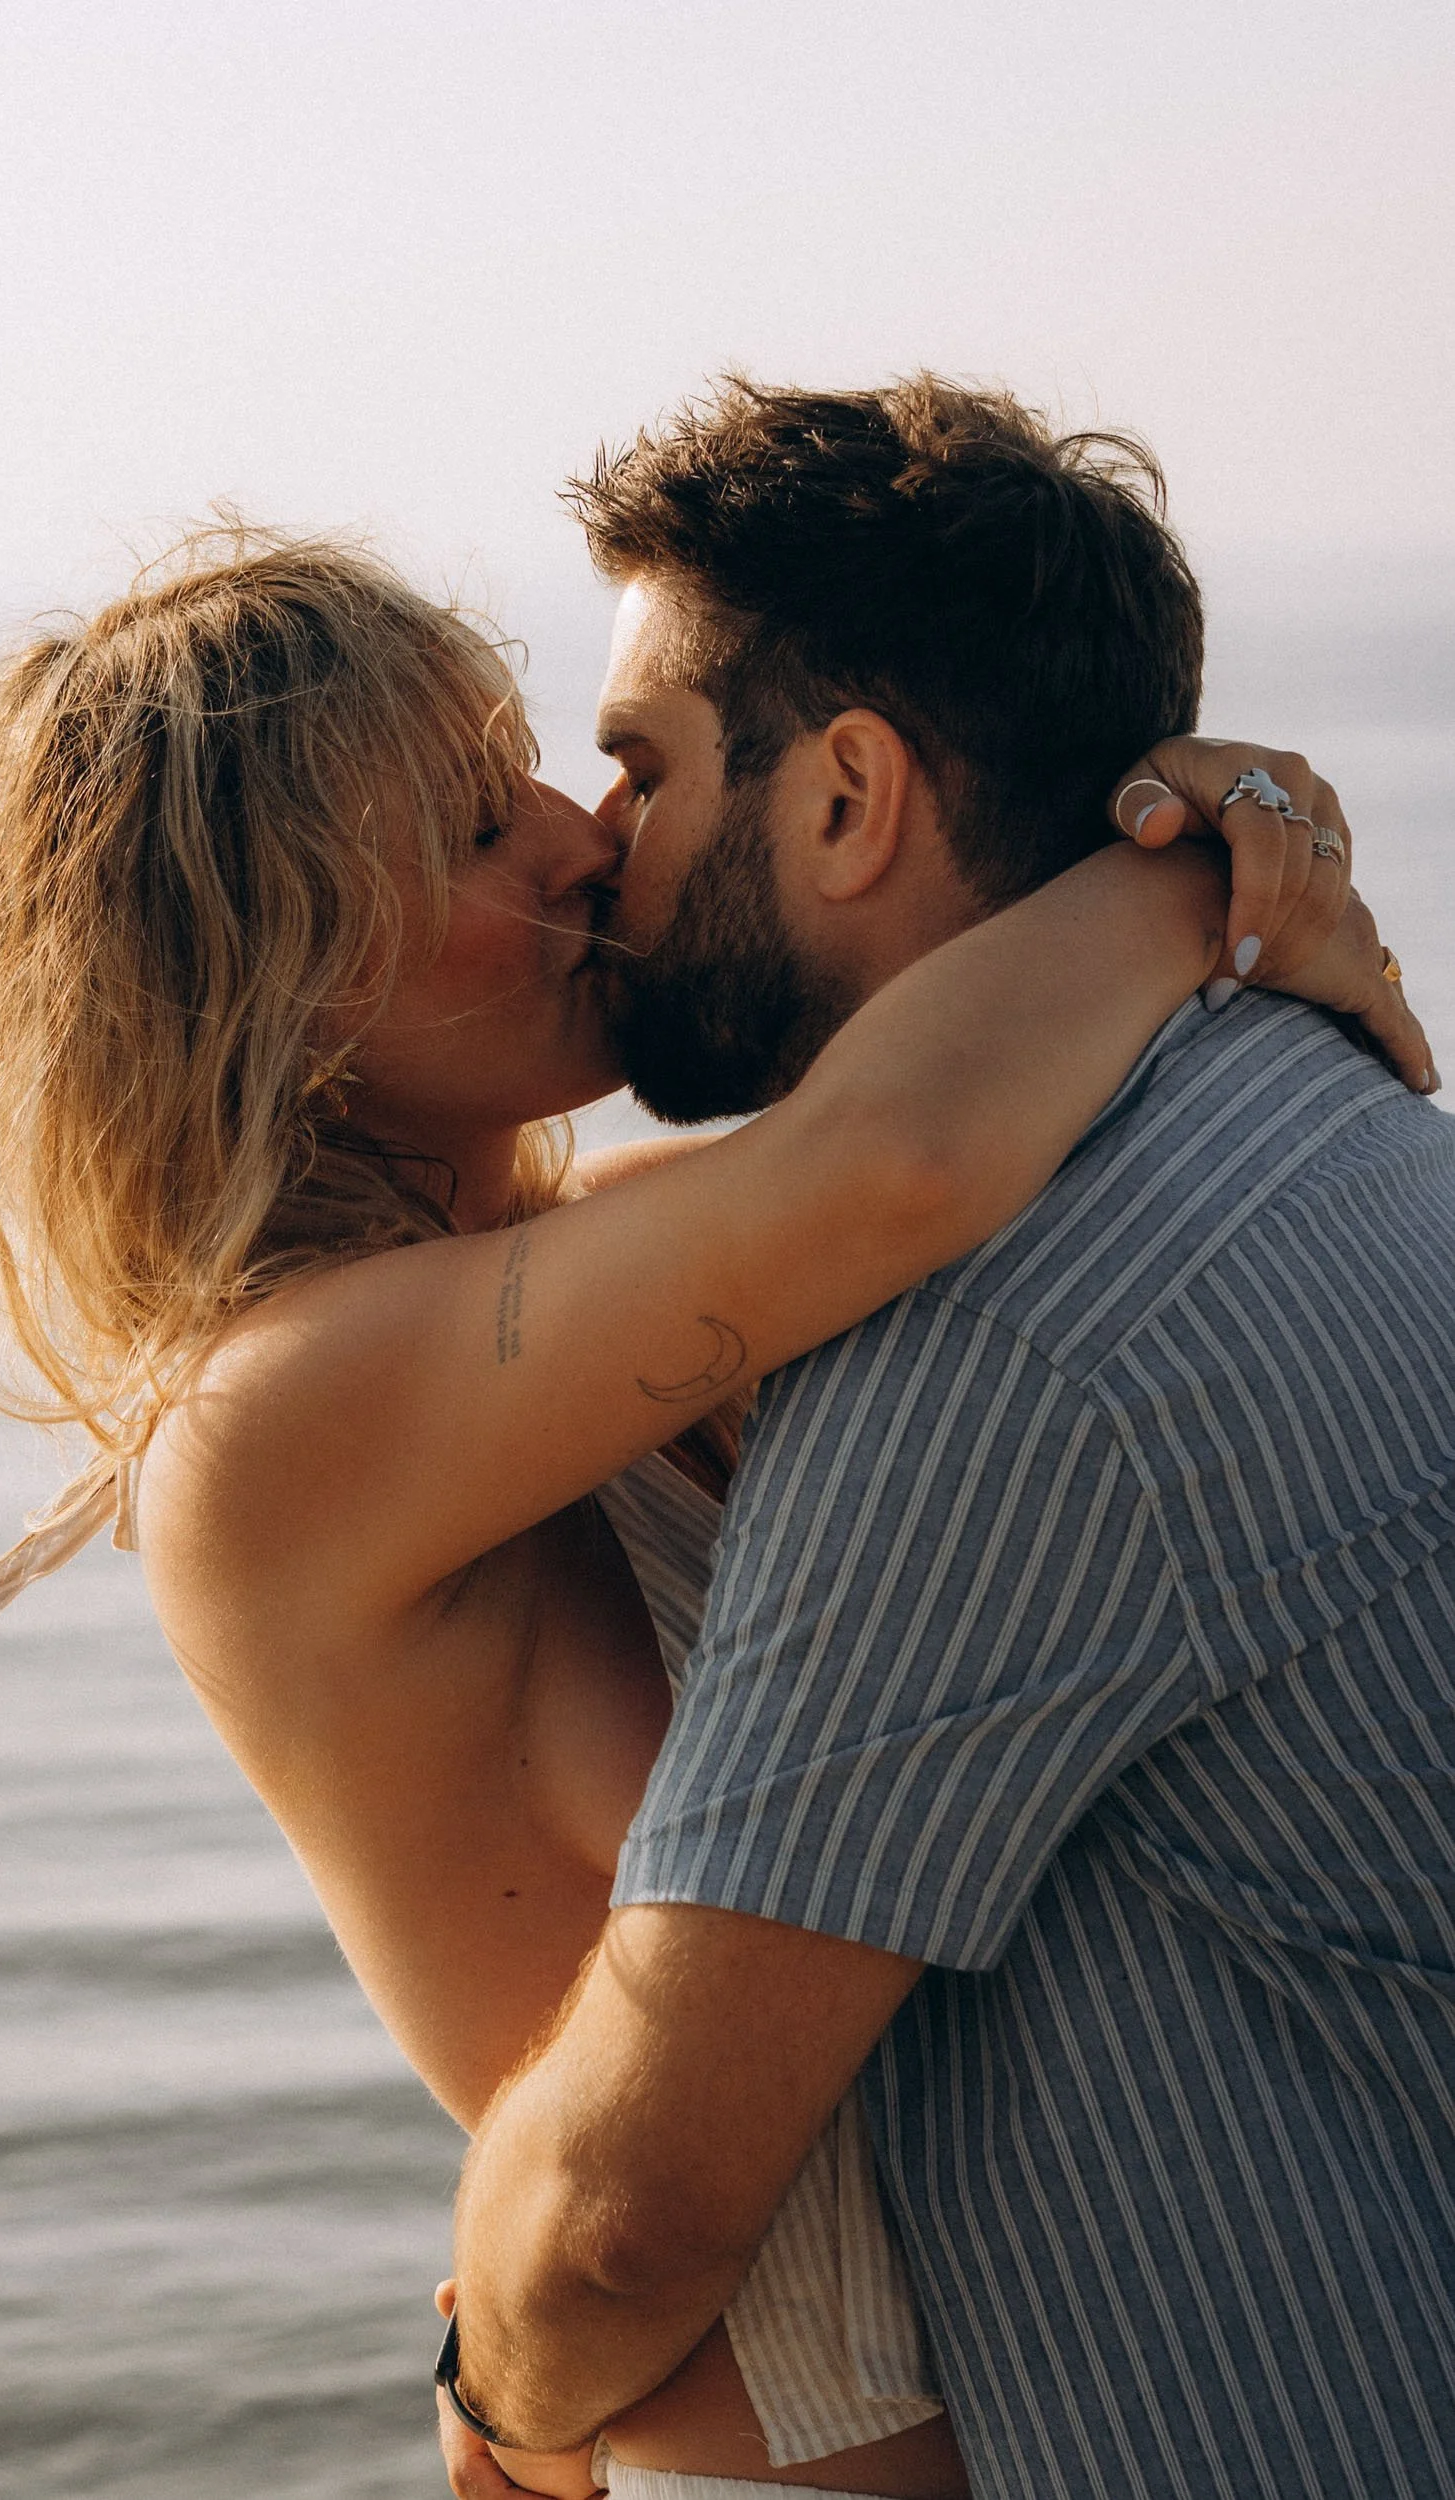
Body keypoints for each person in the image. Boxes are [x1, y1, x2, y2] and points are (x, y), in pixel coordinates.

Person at [0, 453, 1414, 2496]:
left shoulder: (572, 1280)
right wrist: (1192, 874)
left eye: (544, 770)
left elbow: (924, 1117)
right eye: (478, 826)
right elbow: (892, 1156)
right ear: (279, 977)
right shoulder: (278, 1415)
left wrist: (1248, 810)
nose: (578, 843)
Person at [445, 380, 1455, 2500]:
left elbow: (631, 2206)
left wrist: (493, 2409)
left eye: (637, 765)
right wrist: (1196, 865)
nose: (596, 841)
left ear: (844, 798)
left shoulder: (976, 1356)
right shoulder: (1319, 1094)